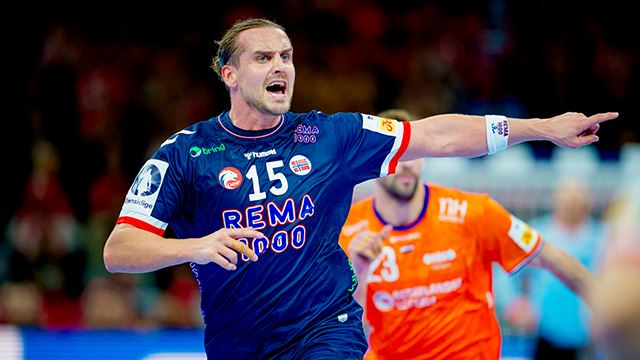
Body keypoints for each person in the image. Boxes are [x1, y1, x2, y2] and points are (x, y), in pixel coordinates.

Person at [103, 18, 617, 359]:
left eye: (287, 56)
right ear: (229, 74)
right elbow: (119, 250)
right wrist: (196, 246)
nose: (281, 65)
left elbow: (437, 134)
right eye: (263, 58)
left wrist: (540, 127)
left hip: (327, 329)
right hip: (239, 343)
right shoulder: (185, 153)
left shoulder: (330, 135)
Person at [339, 109, 601, 360]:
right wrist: (359, 273)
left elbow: (548, 256)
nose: (407, 164)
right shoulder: (348, 232)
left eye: (414, 152)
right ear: (373, 161)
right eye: (397, 154)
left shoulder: (472, 213)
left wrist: (611, 303)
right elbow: (339, 324)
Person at [521, 178, 606, 359]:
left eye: (577, 195)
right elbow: (505, 271)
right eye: (566, 195)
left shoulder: (603, 237)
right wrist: (516, 303)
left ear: (589, 202)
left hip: (592, 334)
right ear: (554, 201)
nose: (571, 200)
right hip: (546, 331)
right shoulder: (537, 233)